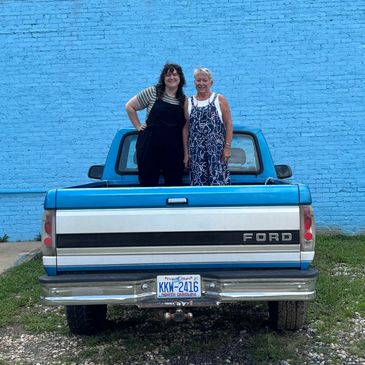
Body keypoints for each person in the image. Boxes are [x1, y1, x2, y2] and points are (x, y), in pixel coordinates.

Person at [125, 64, 186, 186]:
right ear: (163, 78)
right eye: (168, 75)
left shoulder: (184, 100)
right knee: (148, 182)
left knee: (174, 182)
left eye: (175, 74)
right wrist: (137, 126)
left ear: (180, 78)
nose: (171, 77)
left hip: (173, 150)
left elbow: (186, 127)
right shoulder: (153, 92)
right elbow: (129, 106)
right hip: (150, 147)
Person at [183, 67, 233, 185]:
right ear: (194, 82)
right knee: (198, 184)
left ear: (211, 82)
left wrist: (227, 148)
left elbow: (229, 124)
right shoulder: (188, 102)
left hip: (217, 152)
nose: (201, 83)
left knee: (218, 183)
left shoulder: (219, 99)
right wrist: (186, 154)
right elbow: (185, 129)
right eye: (198, 80)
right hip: (196, 153)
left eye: (204, 80)